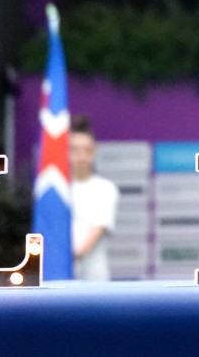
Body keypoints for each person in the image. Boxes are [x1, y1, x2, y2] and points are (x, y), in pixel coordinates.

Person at [68, 115, 119, 281]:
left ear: (94, 152)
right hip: (57, 278)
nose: (81, 155)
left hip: (94, 280)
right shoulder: (56, 191)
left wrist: (69, 257)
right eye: (75, 150)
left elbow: (98, 228)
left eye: (87, 150)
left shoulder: (105, 188)